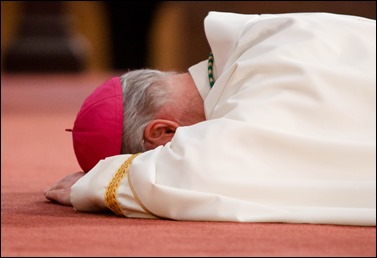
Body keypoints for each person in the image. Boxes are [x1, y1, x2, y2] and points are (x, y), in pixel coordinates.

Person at [45, 11, 376, 225]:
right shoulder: (258, 37)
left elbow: (201, 170)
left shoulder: (257, 94)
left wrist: (101, 181)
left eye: (157, 154)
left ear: (163, 133)